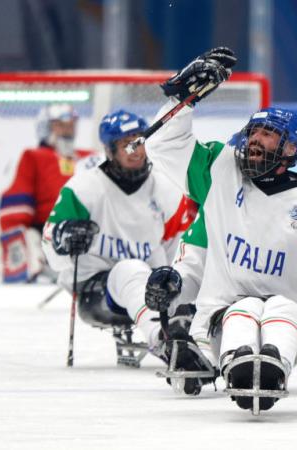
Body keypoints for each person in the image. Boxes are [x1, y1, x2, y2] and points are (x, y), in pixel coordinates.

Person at [141, 47, 297, 412]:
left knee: (281, 308)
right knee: (242, 308)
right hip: (220, 317)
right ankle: (239, 366)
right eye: (253, 130)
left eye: (269, 133)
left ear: (292, 147)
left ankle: (274, 365)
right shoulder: (220, 170)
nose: (256, 138)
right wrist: (183, 96)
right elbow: (161, 143)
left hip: (296, 319)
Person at [41, 109, 198, 363]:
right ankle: (162, 338)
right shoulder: (83, 188)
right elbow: (51, 243)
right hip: (95, 290)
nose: (136, 151)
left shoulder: (166, 188)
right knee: (129, 269)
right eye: (127, 145)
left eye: (140, 142)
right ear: (110, 149)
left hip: (149, 285)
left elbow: (180, 248)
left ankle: (205, 345)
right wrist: (63, 237)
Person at [0, 103, 96, 283]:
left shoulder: (89, 157)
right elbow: (19, 196)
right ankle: (38, 266)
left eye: (71, 125)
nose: (67, 131)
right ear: (45, 128)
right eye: (60, 125)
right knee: (31, 237)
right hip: (46, 229)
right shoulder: (34, 156)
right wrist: (17, 229)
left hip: (85, 229)